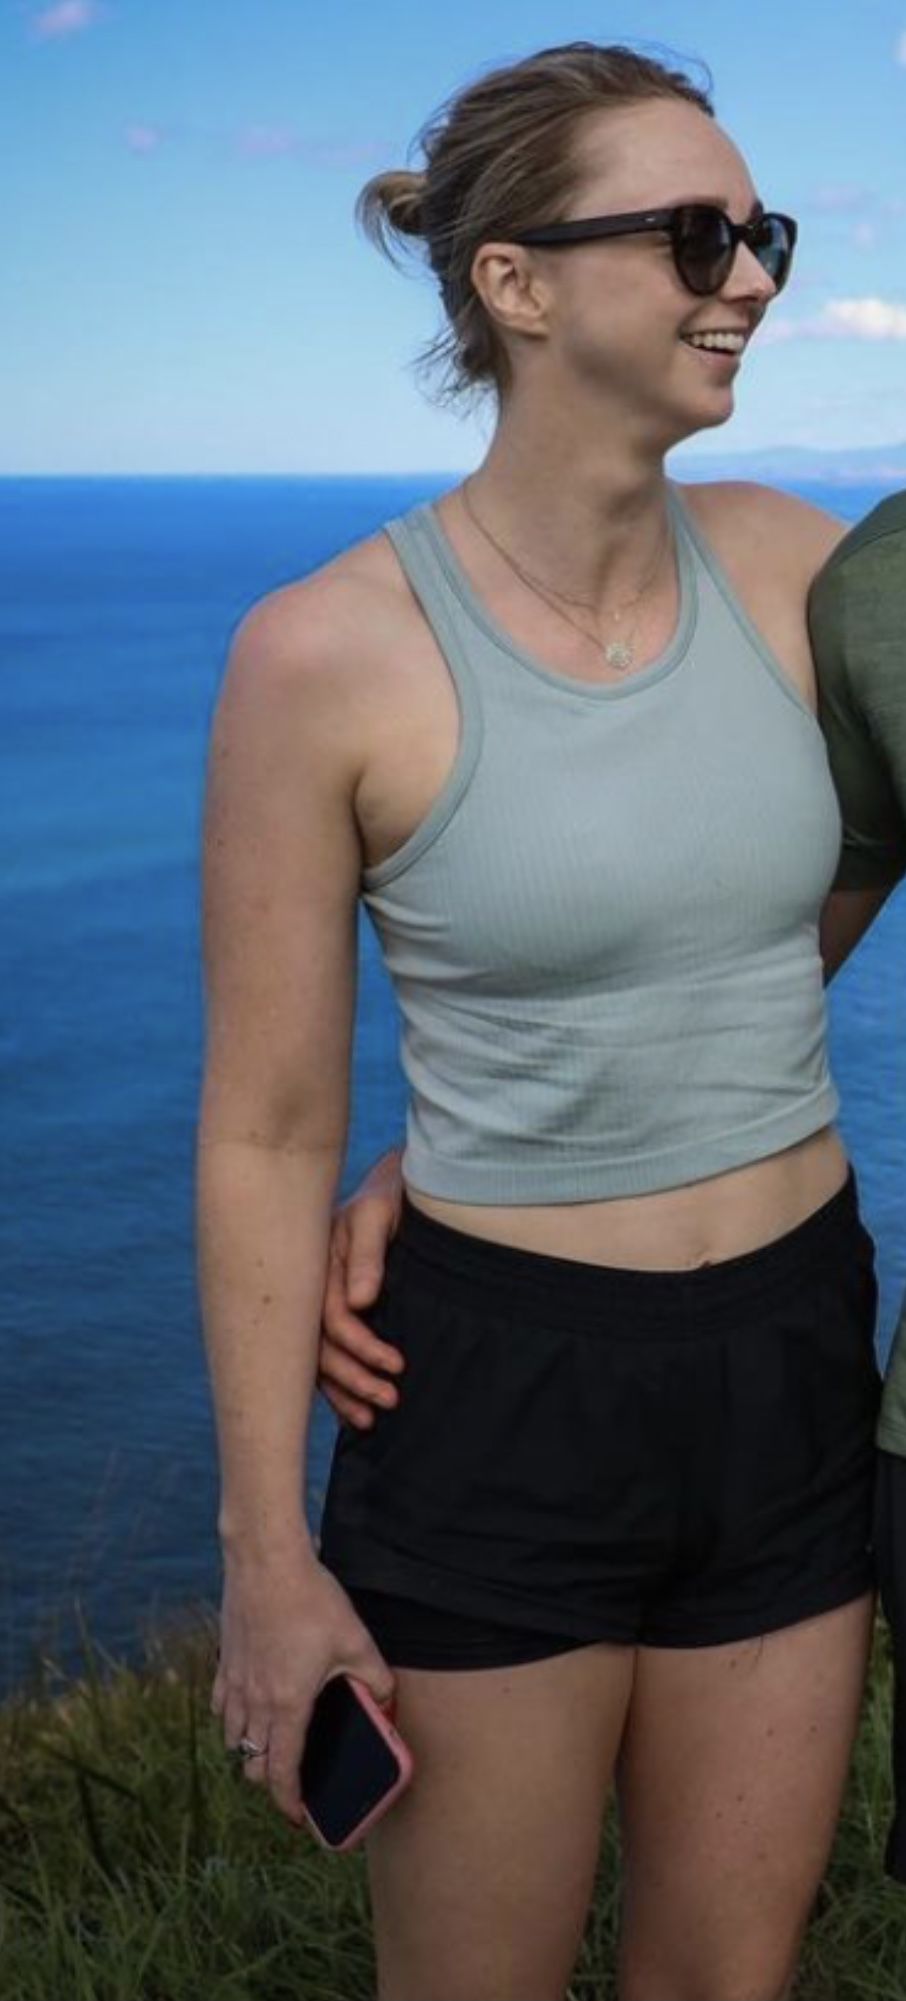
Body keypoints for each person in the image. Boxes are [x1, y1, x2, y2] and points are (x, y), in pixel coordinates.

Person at [200, 42, 884, 2001]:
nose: (752, 275)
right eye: (693, 236)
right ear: (514, 281)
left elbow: (804, 898)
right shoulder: (324, 655)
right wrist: (264, 1553)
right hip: (499, 1393)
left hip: (793, 1349)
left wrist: (534, 1103)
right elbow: (261, 1126)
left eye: (761, 231)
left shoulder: (798, 571)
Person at [321, 487, 906, 1901]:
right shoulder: (877, 583)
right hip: (580, 1373)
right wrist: (472, 1141)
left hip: (786, 1357)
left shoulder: (818, 567)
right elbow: (754, 942)